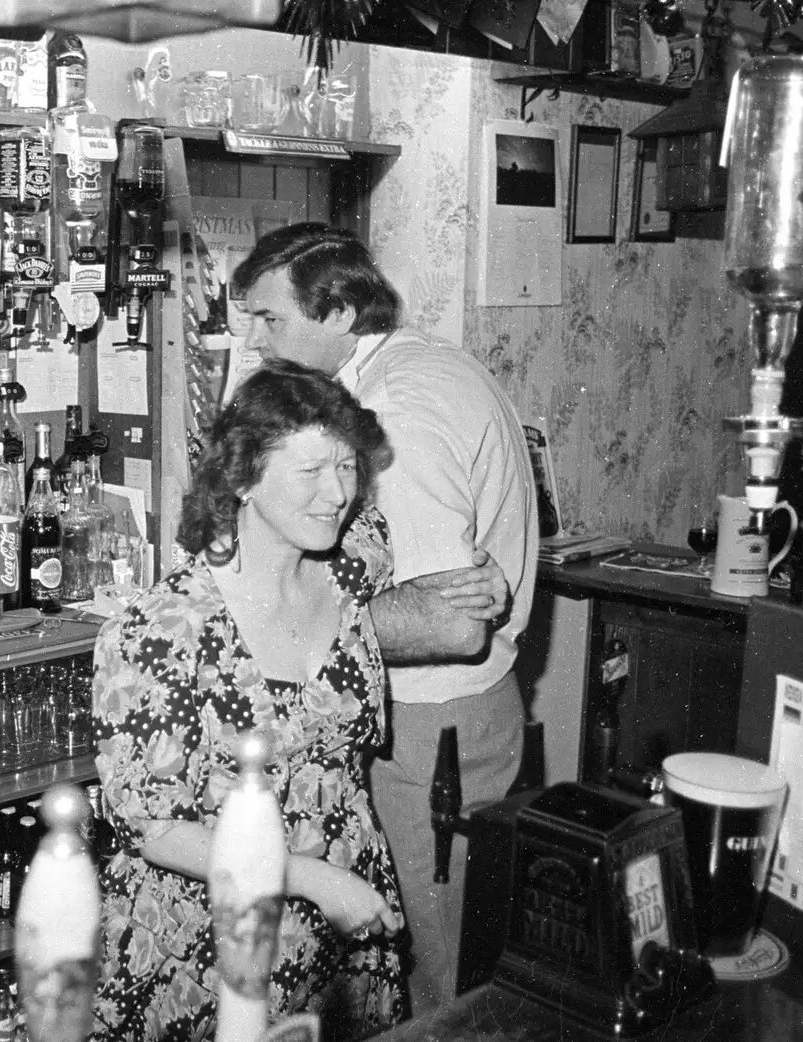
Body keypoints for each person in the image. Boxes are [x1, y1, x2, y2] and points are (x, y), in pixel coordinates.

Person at [92, 360, 497, 1042]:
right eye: (310, 473)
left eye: (346, 468)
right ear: (244, 478)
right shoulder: (161, 630)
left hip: (341, 921)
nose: (336, 493)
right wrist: (310, 878)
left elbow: (437, 574)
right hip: (211, 937)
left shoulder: (350, 564)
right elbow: (152, 829)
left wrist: (480, 585)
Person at [233, 223, 538, 1017]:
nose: (257, 343)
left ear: (337, 312)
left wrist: (292, 621)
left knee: (431, 973)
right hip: (447, 719)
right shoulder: (422, 364)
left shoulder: (395, 410)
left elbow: (450, 623)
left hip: (432, 726)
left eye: (271, 320)